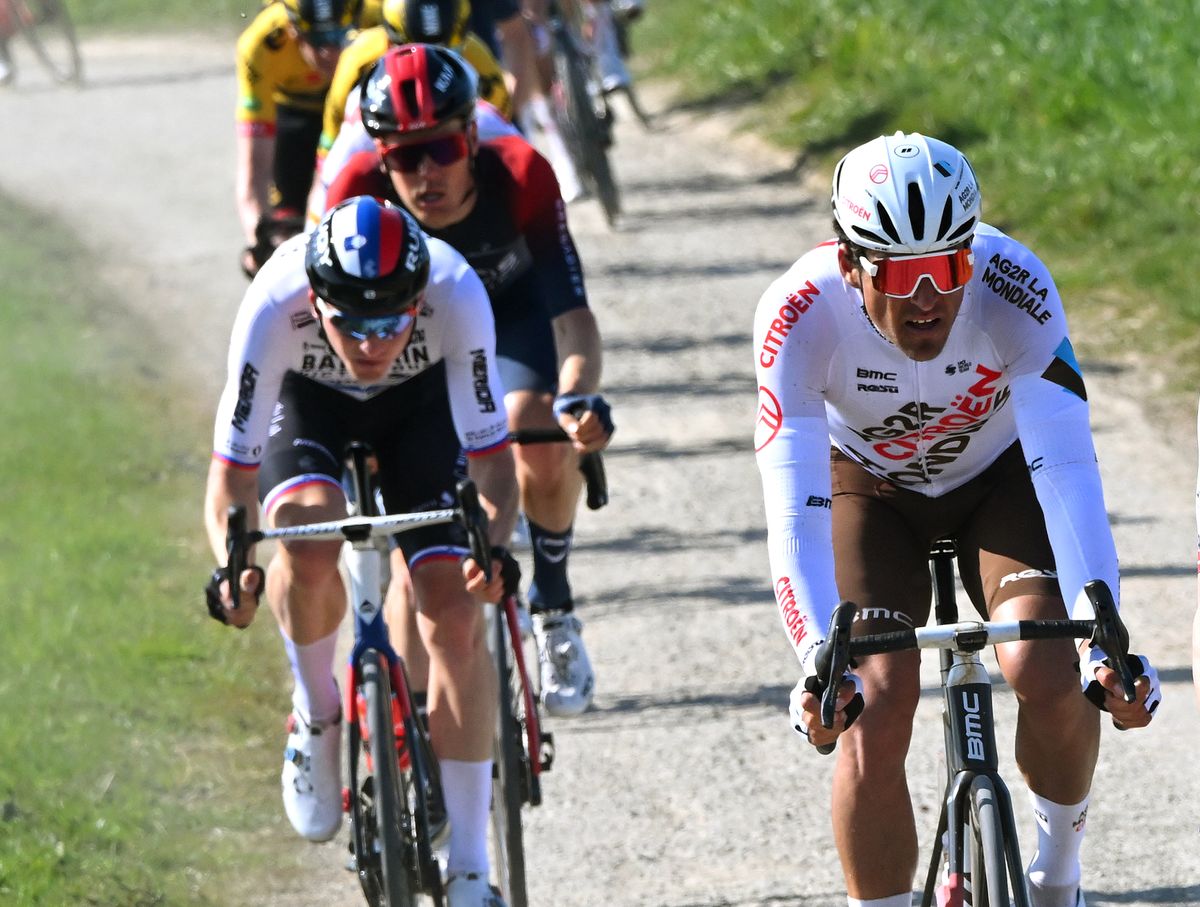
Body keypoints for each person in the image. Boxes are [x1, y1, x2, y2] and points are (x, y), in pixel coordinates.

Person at [753, 131, 1161, 907]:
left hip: (997, 479)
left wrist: (1100, 631)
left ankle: (1055, 878)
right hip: (866, 490)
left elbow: (1067, 470)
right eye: (901, 274)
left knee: (1051, 666)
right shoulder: (797, 313)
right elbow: (794, 506)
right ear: (849, 263)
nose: (928, 297)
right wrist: (816, 657)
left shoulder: (1014, 284)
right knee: (869, 700)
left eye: (946, 267)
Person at [204, 194, 519, 907]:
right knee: (308, 543)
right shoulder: (273, 301)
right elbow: (232, 478)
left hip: (421, 411)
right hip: (309, 405)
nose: (373, 342)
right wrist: (234, 569)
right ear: (316, 303)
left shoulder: (455, 288)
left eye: (392, 321)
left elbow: (496, 464)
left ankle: (470, 867)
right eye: (352, 323)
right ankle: (317, 714)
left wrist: (492, 549)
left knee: (454, 611)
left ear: (418, 298)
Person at [327, 43, 613, 717]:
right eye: (403, 155)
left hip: (506, 313)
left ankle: (554, 603)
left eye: (442, 151)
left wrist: (577, 395)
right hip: (405, 338)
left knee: (538, 433)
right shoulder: (354, 190)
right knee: (412, 545)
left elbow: (572, 319)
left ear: (472, 137)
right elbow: (327, 333)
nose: (425, 173)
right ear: (380, 156)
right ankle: (421, 733)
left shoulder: (521, 172)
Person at [235, 0, 363, 278]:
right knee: (281, 236)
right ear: (293, 29)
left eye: (339, 36)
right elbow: (253, 170)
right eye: (318, 40)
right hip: (292, 118)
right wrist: (259, 239)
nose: (330, 51)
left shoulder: (372, 17)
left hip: (350, 113)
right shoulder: (261, 44)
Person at [318, 0, 513, 163]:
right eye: (412, 51)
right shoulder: (359, 57)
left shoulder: (478, 57)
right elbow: (333, 135)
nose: (429, 65)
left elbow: (499, 127)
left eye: (444, 53)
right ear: (390, 39)